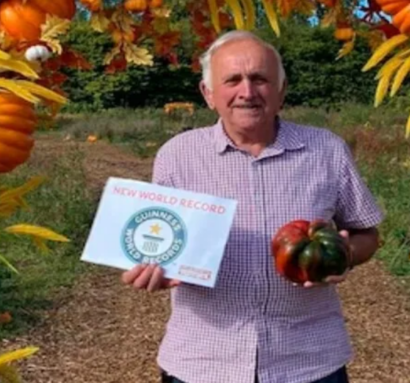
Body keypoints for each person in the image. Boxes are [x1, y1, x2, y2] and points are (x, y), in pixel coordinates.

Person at [121, 30, 384, 383]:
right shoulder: (177, 155)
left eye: (260, 79)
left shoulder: (326, 150)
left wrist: (344, 254)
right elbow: (158, 238)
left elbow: (367, 232)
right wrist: (152, 266)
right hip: (202, 360)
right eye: (232, 80)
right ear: (208, 94)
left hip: (309, 360)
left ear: (281, 90)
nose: (247, 92)